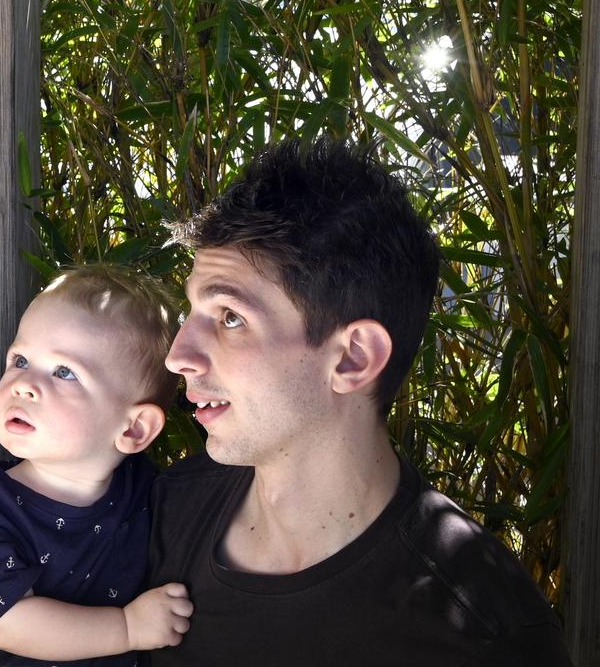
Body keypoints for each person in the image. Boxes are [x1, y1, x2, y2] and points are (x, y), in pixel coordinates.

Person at [149, 137, 571, 665]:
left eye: (231, 317)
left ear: (352, 358)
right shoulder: (155, 516)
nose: (178, 355)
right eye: (192, 311)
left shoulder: (483, 635)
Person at [0, 265, 194, 667]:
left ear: (134, 428)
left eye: (63, 372)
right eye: (20, 359)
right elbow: (9, 622)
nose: (23, 383)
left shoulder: (147, 490)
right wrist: (126, 628)